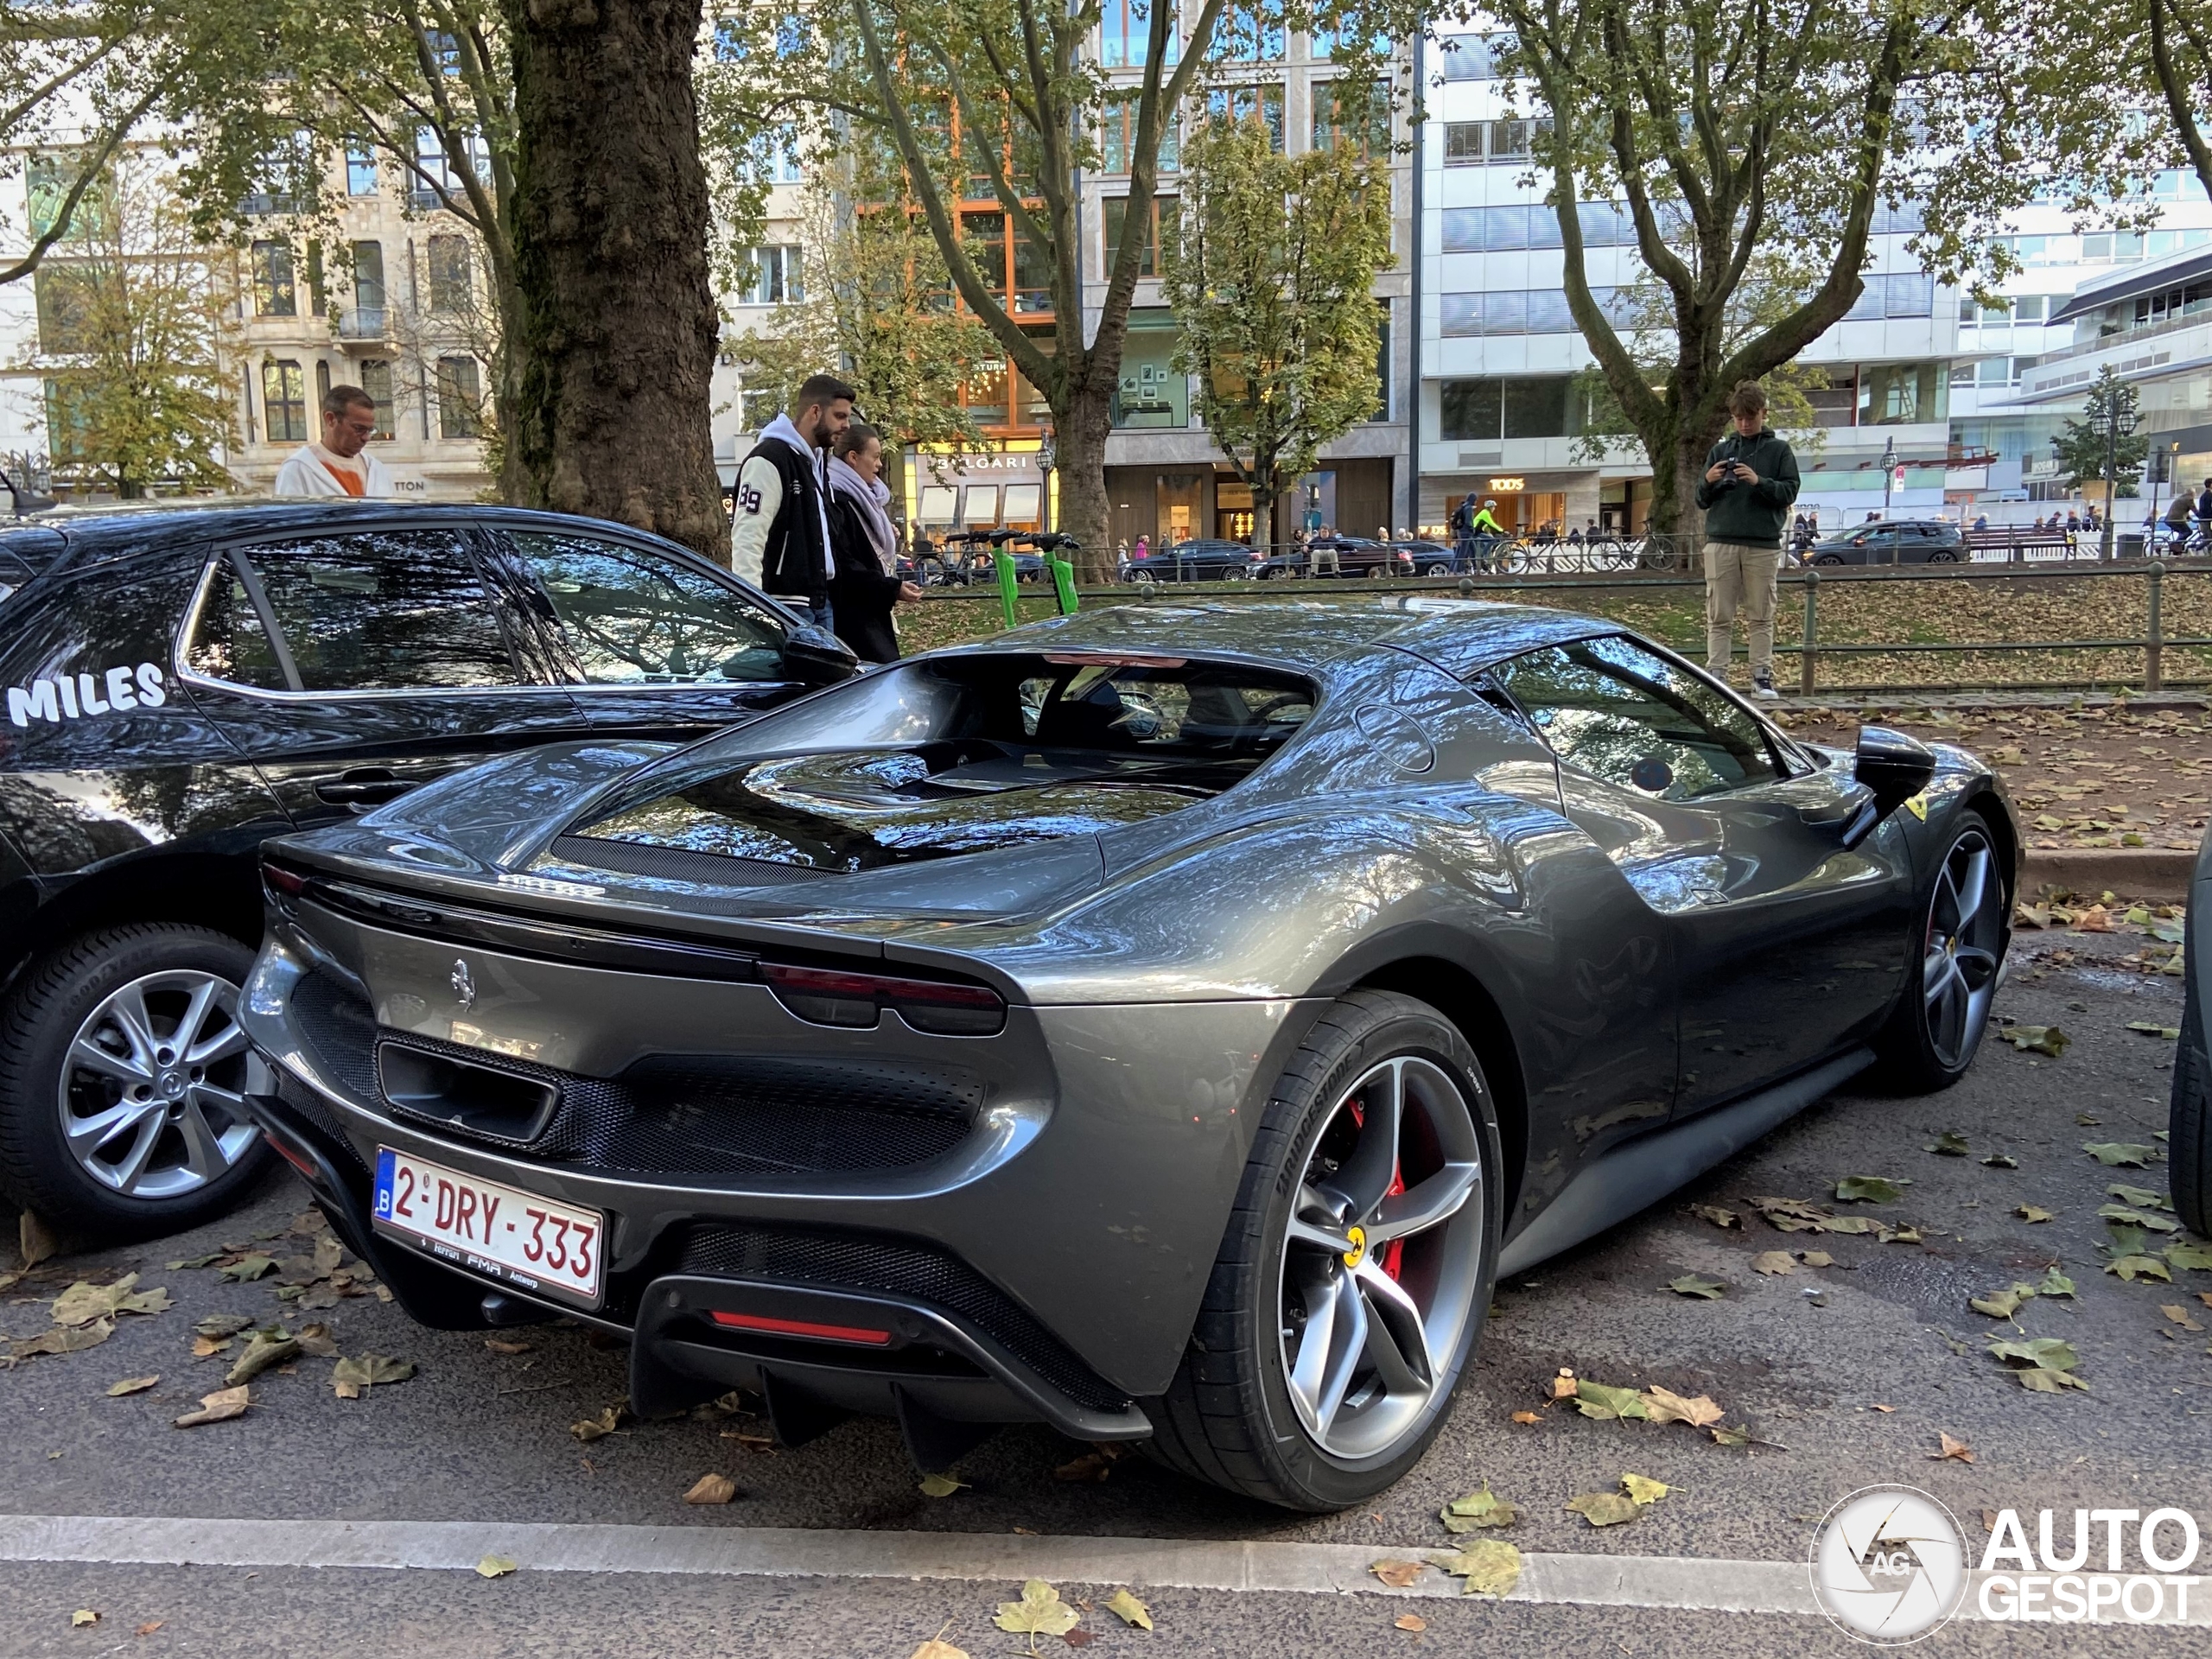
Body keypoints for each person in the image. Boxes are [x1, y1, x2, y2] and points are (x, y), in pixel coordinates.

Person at [1694, 379, 1801, 701]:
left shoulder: (1779, 450)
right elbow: (1700, 500)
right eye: (1738, 418)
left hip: (1762, 543)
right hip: (1721, 541)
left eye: (1750, 417)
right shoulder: (1721, 451)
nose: (1744, 423)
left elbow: (1790, 491)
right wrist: (1709, 481)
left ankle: (1761, 677)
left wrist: (1758, 481)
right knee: (1719, 613)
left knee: (1761, 614)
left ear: (1763, 413)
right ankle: (1718, 676)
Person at [731, 373, 853, 632]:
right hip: (784, 606)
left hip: (818, 602)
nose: (847, 425)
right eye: (840, 416)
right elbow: (747, 539)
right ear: (815, 412)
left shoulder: (817, 463)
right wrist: (752, 608)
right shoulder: (769, 460)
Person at [823, 423, 922, 664]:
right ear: (854, 458)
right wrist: (890, 588)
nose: (879, 464)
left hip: (868, 613)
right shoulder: (838, 499)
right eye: (875, 457)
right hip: (855, 620)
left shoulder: (863, 498)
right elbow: (845, 563)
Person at [273, 385, 394, 498]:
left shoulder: (377, 470)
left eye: (370, 430)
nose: (366, 438)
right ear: (330, 419)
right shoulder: (297, 469)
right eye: (359, 429)